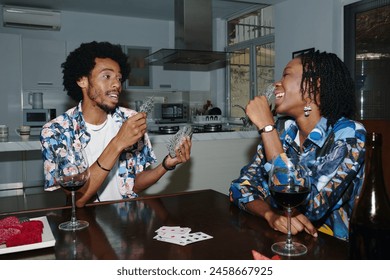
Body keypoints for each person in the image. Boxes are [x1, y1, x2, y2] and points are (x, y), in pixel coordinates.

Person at [229, 50, 366, 240]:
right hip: (286, 241)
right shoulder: (284, 132)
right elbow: (240, 187)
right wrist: (270, 214)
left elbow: (311, 206)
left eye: (286, 75)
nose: (277, 83)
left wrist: (267, 128)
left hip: (337, 250)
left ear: (314, 85)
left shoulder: (349, 135)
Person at [41, 41, 192, 207]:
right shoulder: (56, 131)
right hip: (85, 220)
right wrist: (118, 142)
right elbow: (77, 199)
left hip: (125, 218)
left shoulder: (130, 120)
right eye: (107, 76)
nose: (117, 85)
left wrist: (165, 165)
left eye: (119, 78)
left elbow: (133, 183)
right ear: (82, 80)